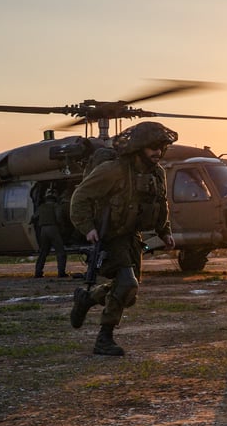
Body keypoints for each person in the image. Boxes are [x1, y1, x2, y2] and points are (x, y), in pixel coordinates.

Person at [68, 121, 177, 356]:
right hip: (110, 235)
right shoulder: (114, 170)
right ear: (139, 148)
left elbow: (161, 203)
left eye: (161, 147)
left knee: (128, 295)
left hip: (131, 237)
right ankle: (103, 339)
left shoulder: (157, 173)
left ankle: (88, 298)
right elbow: (80, 196)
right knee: (127, 284)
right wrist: (87, 228)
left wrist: (164, 232)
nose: (157, 152)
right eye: (152, 147)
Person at [31, 189, 67, 278]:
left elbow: (33, 217)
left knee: (43, 252)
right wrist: (62, 227)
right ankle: (61, 273)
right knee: (60, 252)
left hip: (43, 230)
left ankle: (38, 272)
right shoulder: (56, 206)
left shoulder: (41, 207)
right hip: (53, 228)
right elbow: (59, 218)